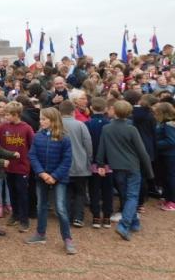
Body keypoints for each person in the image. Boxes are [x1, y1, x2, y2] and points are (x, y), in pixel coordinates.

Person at [96, 100, 154, 241]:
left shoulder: (107, 128)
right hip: (132, 166)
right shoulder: (131, 129)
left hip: (117, 167)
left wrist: (100, 165)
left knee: (126, 196)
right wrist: (150, 172)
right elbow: (142, 152)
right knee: (132, 196)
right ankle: (125, 225)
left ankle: (134, 222)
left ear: (114, 111)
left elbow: (101, 149)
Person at [27, 107, 76, 254]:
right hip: (42, 177)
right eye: (40, 119)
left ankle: (67, 239)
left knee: (60, 208)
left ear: (53, 120)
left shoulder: (64, 138)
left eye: (43, 119)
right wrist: (42, 173)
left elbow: (67, 161)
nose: (41, 121)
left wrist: (54, 176)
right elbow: (32, 156)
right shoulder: (37, 136)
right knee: (41, 205)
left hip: (59, 178)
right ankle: (40, 234)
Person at [0, 101, 34, 232]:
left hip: (22, 167)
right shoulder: (2, 127)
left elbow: (32, 146)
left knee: (22, 193)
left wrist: (28, 160)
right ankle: (15, 215)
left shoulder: (27, 128)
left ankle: (24, 220)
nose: (6, 117)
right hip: (8, 167)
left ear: (16, 114)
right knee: (12, 191)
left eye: (8, 114)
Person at [59, 100, 93, 228]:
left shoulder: (57, 125)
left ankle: (66, 215)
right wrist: (89, 159)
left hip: (62, 165)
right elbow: (88, 144)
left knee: (66, 191)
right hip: (80, 164)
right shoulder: (81, 125)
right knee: (80, 192)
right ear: (73, 111)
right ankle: (78, 217)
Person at [85, 97, 113, 228]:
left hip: (93, 162)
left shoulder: (87, 124)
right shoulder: (110, 124)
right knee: (108, 190)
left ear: (91, 108)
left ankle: (96, 216)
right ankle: (107, 217)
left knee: (94, 189)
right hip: (109, 162)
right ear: (106, 109)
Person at [153, 102, 175, 211]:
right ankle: (167, 198)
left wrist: (155, 144)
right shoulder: (163, 123)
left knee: (170, 177)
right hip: (164, 155)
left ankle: (172, 201)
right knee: (166, 177)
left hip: (170, 155)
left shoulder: (168, 124)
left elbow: (171, 141)